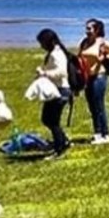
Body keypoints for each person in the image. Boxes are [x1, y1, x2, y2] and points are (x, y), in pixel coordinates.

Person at [78, 18, 109, 145]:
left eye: (90, 28)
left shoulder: (102, 43)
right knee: (91, 106)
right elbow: (80, 55)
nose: (87, 31)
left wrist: (104, 56)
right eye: (86, 28)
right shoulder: (84, 42)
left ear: (97, 30)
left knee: (99, 105)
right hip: (88, 76)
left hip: (99, 76)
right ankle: (97, 133)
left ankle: (105, 134)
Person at [35, 28, 73, 157]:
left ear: (48, 42)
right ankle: (63, 141)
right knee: (48, 119)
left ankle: (60, 148)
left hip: (60, 91)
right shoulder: (55, 52)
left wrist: (44, 73)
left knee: (51, 120)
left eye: (42, 43)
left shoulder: (56, 54)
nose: (41, 46)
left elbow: (62, 72)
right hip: (56, 90)